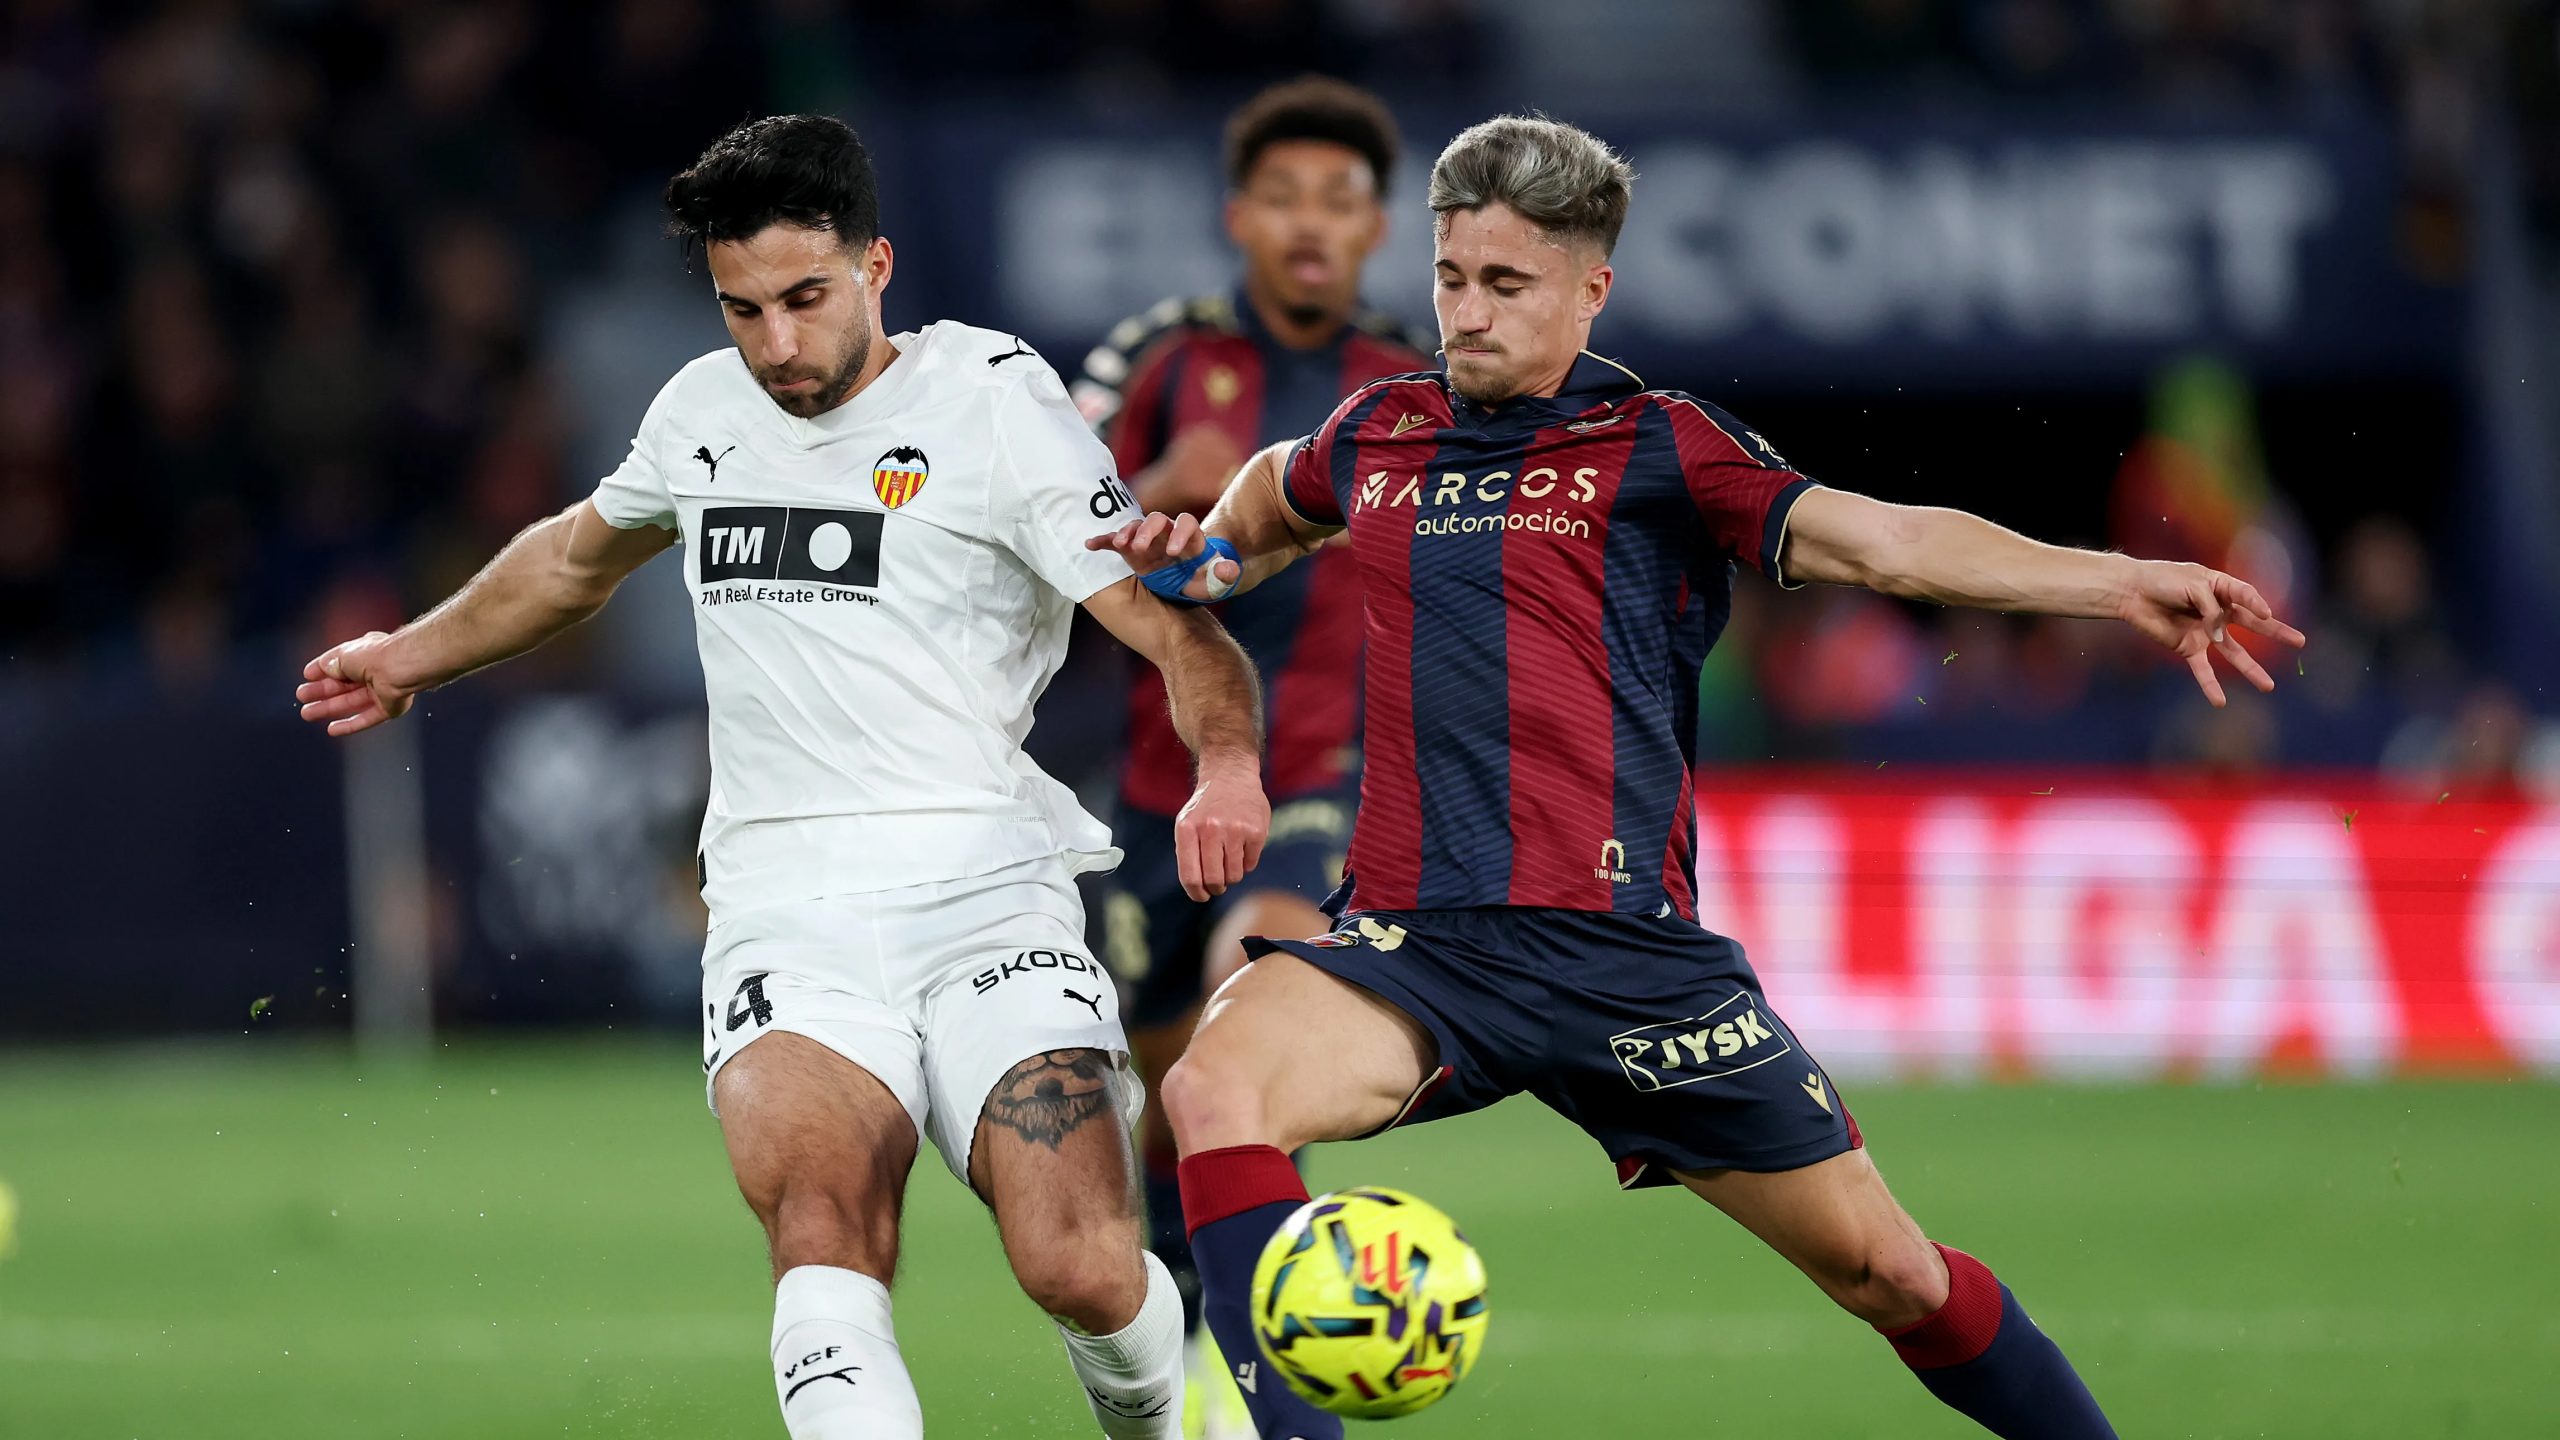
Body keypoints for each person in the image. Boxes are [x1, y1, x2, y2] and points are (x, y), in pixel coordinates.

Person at [1093, 114, 2306, 1440]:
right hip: (1420, 949)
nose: (1468, 314)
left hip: (1630, 965)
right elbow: (1275, 497)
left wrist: (2115, 582)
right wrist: (1206, 558)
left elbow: (1887, 543)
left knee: (1891, 1274)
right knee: (1211, 1088)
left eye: (1508, 285)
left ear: (1590, 290)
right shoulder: (1382, 432)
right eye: (1451, 278)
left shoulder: (1664, 445)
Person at [296, 114, 1272, 1440]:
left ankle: (1172, 1419)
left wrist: (1228, 765)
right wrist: (409, 656)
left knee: (1082, 1266)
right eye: (742, 309)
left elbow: (1173, 628)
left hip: (989, 898)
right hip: (782, 915)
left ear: (876, 264)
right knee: (822, 1226)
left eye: (805, 299)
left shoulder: (994, 403)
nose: (776, 346)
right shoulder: (703, 411)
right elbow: (575, 559)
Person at [1068, 75, 1431, 1436]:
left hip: (1327, 777)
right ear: (1239, 217)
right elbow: (1035, 540)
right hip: (1156, 791)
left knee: (1255, 991)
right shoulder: (1157, 358)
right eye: (1285, 197)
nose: (1311, 224)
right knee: (1173, 1116)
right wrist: (1165, 488)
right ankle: (1191, 1357)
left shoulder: (1414, 383)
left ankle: (1294, 1351)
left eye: (1340, 200)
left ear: (1377, 226)